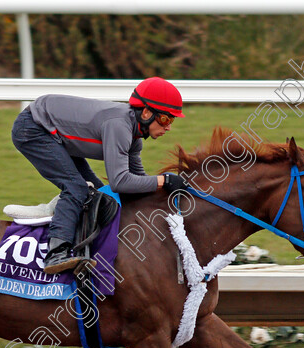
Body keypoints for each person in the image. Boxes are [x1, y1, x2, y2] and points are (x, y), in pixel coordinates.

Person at [12, 76, 189, 274]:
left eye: (171, 120)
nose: (169, 127)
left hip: (57, 135)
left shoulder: (134, 139)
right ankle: (56, 253)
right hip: (34, 128)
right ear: (146, 112)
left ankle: (76, 236)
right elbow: (120, 182)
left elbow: (138, 182)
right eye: (165, 118)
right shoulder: (119, 126)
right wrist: (164, 180)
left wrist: (167, 190)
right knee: (77, 188)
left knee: (98, 193)